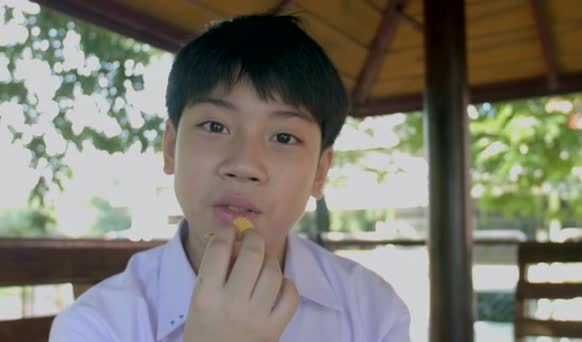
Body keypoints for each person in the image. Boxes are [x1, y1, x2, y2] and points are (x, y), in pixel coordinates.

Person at [50, 14, 411, 342]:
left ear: (320, 172)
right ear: (172, 147)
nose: (244, 165)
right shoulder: (95, 325)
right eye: (215, 126)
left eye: (284, 137)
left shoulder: (373, 311)